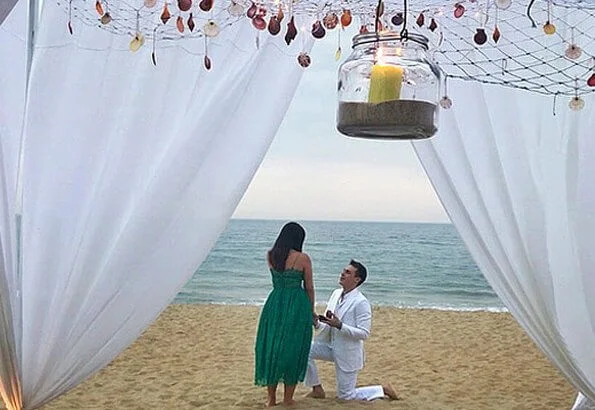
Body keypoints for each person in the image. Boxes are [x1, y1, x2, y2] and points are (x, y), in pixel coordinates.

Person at [304, 260, 399, 401]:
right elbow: (330, 325)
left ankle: (382, 389)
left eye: (347, 272)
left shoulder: (361, 302)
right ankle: (317, 388)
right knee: (303, 350)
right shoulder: (336, 294)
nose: (342, 273)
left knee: (346, 396)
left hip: (348, 353)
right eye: (343, 270)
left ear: (357, 279)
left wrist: (340, 325)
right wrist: (317, 323)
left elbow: (364, 333)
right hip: (331, 346)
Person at [254, 222, 316, 407]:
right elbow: (309, 287)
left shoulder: (271, 255)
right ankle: (288, 399)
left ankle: (271, 398)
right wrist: (311, 311)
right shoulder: (303, 258)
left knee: (272, 346)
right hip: (296, 305)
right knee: (293, 348)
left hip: (275, 303)